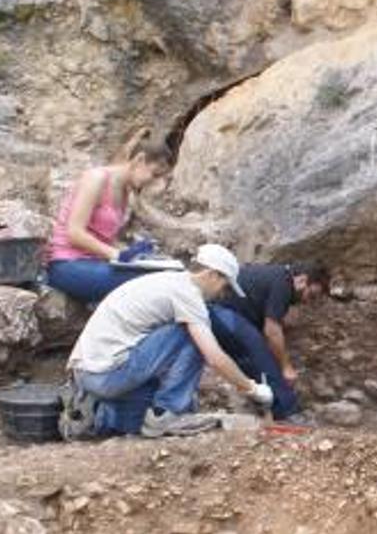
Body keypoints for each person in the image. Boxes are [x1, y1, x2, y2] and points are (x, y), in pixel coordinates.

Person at [60, 244, 274, 439]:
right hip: (108, 373)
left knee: (142, 411)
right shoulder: (188, 295)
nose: (222, 295)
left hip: (89, 372)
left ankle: (99, 417)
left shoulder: (168, 280)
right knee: (191, 333)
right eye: (225, 286)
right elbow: (214, 357)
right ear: (212, 275)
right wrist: (252, 389)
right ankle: (168, 414)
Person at [45, 128, 173, 304]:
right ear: (139, 159)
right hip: (67, 264)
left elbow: (103, 239)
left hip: (95, 263)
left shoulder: (125, 192)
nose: (154, 181)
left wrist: (136, 254)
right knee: (151, 282)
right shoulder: (96, 179)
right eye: (154, 174)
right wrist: (117, 254)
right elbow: (74, 233)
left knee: (166, 275)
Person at [209, 262, 330, 421]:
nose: (308, 301)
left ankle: (267, 405)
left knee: (252, 357)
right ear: (302, 280)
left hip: (223, 314)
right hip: (220, 312)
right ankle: (288, 413)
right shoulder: (283, 284)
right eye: (311, 295)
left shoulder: (277, 276)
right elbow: (272, 330)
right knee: (257, 350)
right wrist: (286, 367)